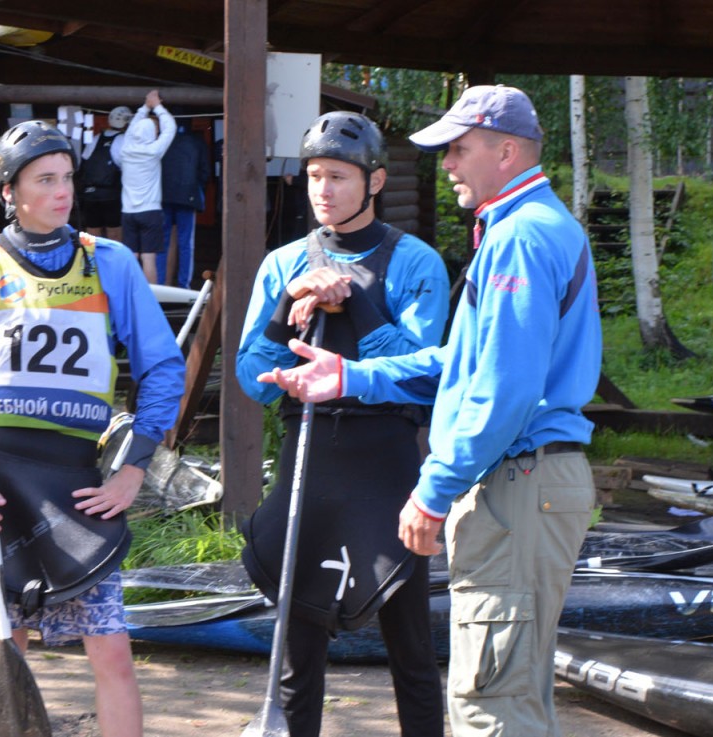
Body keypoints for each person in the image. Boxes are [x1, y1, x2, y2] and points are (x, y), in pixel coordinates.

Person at [260, 86, 602, 737]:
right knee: (511, 697)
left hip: (517, 481)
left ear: (507, 152)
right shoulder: (524, 228)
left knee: (491, 706)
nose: (446, 164)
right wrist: (351, 375)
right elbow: (463, 362)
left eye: (458, 149)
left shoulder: (521, 238)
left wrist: (434, 488)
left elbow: (504, 390)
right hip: (524, 483)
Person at [0, 120, 185, 737]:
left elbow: (164, 369)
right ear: (10, 191)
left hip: (76, 484)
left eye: (66, 178)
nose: (62, 192)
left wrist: (134, 467)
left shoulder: (109, 263)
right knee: (4, 648)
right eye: (44, 180)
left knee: (112, 652)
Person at [236, 111, 450, 737]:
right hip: (309, 461)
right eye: (314, 176)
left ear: (375, 181)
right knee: (298, 655)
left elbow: (424, 375)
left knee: (411, 649)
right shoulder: (283, 263)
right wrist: (286, 307)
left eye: (339, 176)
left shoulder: (415, 262)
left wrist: (354, 302)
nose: (323, 190)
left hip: (386, 464)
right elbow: (252, 380)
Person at [113, 89, 176, 284]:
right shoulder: (154, 150)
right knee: (149, 258)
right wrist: (157, 106)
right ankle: (150, 296)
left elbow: (132, 128)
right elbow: (170, 128)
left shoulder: (125, 149)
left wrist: (145, 108)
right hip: (150, 211)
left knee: (131, 257)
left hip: (128, 211)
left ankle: (130, 293)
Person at [156, 124, 210, 288]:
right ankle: (184, 284)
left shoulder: (162, 140)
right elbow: (205, 172)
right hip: (188, 196)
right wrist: (197, 189)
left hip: (164, 196)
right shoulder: (197, 141)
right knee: (186, 243)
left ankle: (160, 283)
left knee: (163, 242)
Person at [77, 105, 132, 241]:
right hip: (111, 195)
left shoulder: (96, 138)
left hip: (90, 195)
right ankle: (113, 256)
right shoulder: (124, 140)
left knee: (91, 232)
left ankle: (90, 255)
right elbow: (127, 166)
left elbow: (85, 161)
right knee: (114, 233)